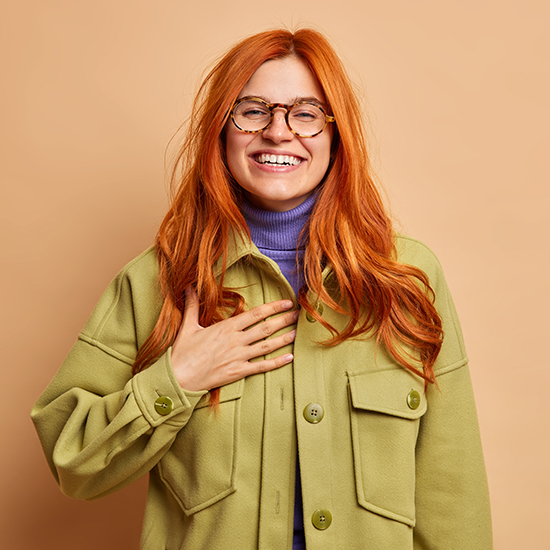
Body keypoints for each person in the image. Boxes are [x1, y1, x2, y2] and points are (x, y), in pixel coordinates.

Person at [31, 28, 492, 549]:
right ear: (221, 130)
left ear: (336, 134)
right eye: (252, 110)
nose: (278, 131)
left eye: (306, 113)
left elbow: (452, 496)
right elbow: (74, 463)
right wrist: (177, 379)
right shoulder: (157, 281)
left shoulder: (407, 276)